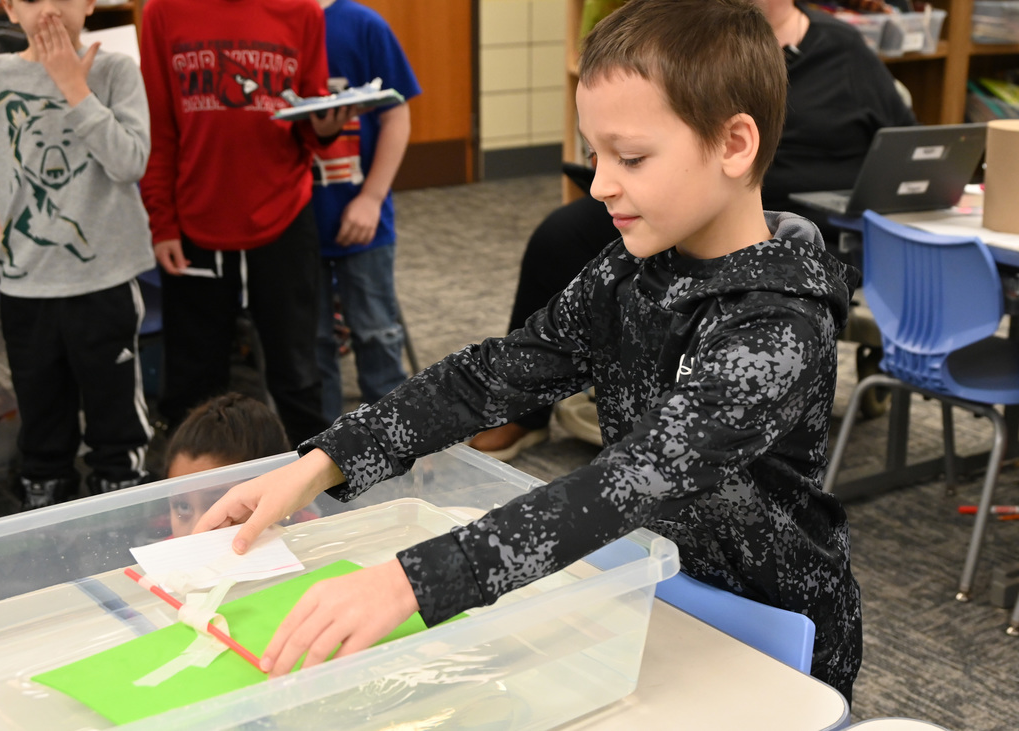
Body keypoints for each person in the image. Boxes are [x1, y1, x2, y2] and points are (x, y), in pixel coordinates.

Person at [196, 0, 864, 702]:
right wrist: (317, 464)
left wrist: (409, 583)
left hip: (778, 636)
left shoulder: (781, 324)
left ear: (733, 145)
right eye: (597, 153)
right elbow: (489, 377)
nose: (602, 183)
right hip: (658, 589)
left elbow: (633, 478)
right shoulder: (628, 271)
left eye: (631, 157)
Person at [470, 0, 917, 459]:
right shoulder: (683, 39)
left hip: (796, 215)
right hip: (679, 196)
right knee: (560, 237)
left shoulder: (842, 51)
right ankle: (523, 412)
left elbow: (909, 144)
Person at [138, 0, 351, 445]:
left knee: (297, 378)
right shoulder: (162, 11)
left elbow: (308, 125)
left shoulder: (303, 12)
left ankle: (315, 497)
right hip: (196, 224)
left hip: (284, 219)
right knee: (192, 385)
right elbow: (159, 129)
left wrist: (327, 128)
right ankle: (193, 500)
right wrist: (163, 224)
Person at [0, 0, 156, 508]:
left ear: (89, 3)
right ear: (8, 8)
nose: (50, 10)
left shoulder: (114, 70)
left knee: (117, 421)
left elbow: (130, 162)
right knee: (41, 419)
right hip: (26, 283)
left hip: (104, 280)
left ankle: (123, 499)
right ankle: (45, 507)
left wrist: (73, 87)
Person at [312, 0, 421, 422]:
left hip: (364, 220)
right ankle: (315, 456)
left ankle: (391, 447)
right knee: (311, 347)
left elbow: (397, 117)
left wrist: (372, 198)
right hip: (295, 224)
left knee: (377, 335)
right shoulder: (274, 23)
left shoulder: (364, 25)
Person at [163, 392, 291, 536]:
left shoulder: (315, 546)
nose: (196, 532)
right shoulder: (158, 556)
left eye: (218, 506)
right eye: (183, 507)